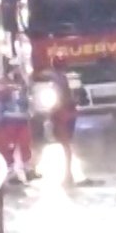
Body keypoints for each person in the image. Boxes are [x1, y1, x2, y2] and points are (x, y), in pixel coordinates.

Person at [0, 69, 36, 182]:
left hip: (22, 120)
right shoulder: (3, 83)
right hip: (9, 120)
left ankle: (28, 170)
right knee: (9, 147)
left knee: (25, 144)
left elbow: (28, 98)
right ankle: (11, 173)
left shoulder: (23, 83)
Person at [39, 55, 77, 183]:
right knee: (66, 145)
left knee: (65, 144)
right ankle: (68, 173)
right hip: (68, 113)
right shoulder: (64, 78)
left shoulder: (55, 79)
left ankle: (68, 174)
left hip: (62, 114)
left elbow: (61, 98)